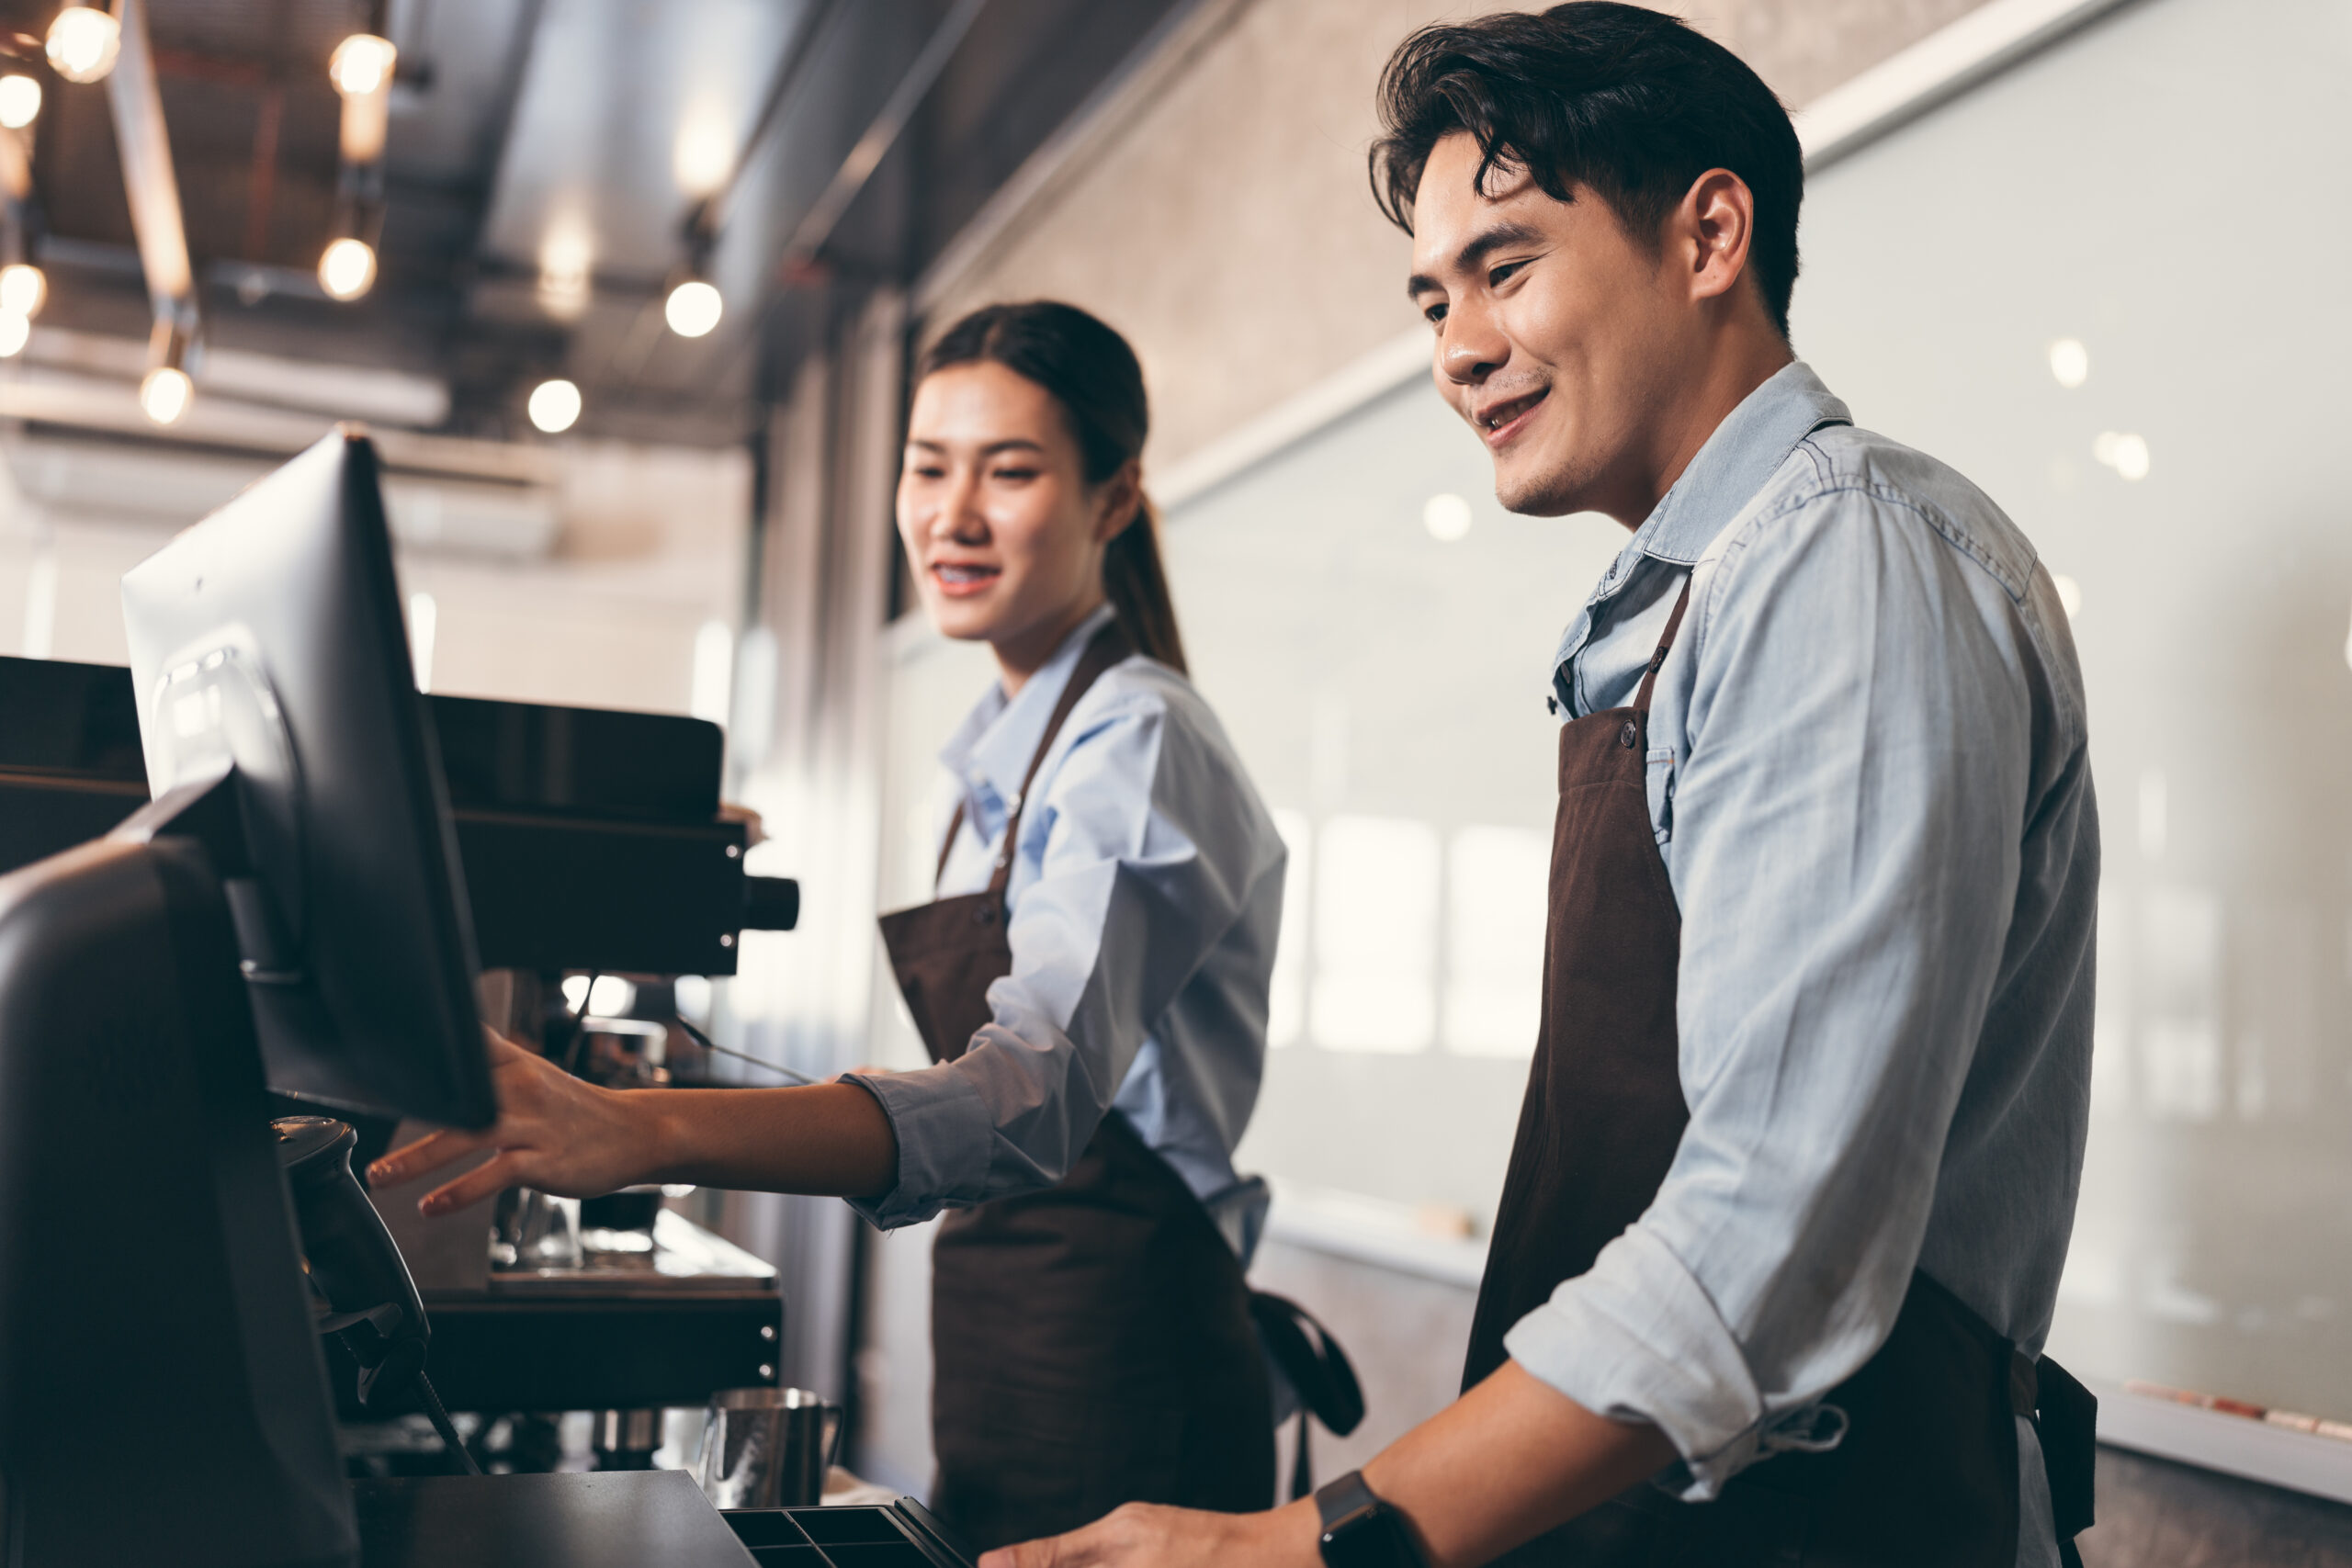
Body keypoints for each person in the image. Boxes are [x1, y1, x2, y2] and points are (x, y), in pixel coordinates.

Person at [983, 7, 2098, 1568]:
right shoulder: (1692, 593)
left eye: (1506, 268)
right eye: (1435, 296)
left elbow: (1770, 1237)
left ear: (1711, 233)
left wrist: (1292, 1545)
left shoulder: (1839, 561)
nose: (1455, 349)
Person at [372, 300, 1288, 1550]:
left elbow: (1027, 1094)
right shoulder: (981, 765)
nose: (951, 515)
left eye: (1009, 471)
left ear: (1113, 500)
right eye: (927, 466)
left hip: (1134, 1360)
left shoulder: (1137, 740)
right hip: (1004, 1344)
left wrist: (641, 1131)